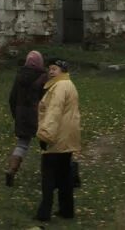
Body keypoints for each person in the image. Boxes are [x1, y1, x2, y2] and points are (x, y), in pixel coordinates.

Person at [35, 58, 81, 222]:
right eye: (50, 69)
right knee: (64, 176)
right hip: (67, 137)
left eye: (54, 69)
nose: (51, 71)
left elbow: (53, 112)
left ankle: (44, 213)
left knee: (48, 177)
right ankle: (67, 210)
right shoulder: (69, 84)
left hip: (56, 138)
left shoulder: (59, 87)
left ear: (62, 71)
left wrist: (45, 135)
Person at [5, 49, 47, 186]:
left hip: (22, 115)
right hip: (38, 115)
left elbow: (12, 98)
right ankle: (47, 174)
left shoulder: (19, 76)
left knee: (22, 144)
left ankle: (12, 169)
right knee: (46, 145)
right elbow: (46, 99)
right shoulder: (43, 77)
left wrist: (16, 115)